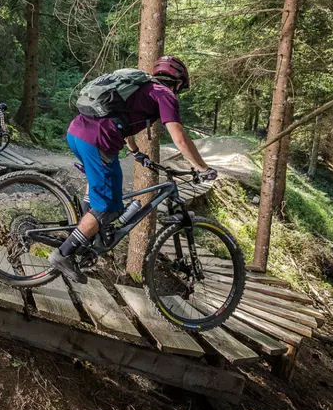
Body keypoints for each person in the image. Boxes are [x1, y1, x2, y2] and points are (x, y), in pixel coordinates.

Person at [48, 56, 218, 283]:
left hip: (76, 134)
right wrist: (203, 167)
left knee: (101, 193)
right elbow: (179, 137)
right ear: (177, 83)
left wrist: (136, 152)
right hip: (97, 142)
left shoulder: (140, 88)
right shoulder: (164, 94)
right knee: (109, 208)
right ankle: (65, 252)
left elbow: (122, 121)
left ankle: (88, 238)